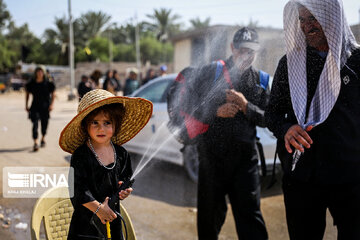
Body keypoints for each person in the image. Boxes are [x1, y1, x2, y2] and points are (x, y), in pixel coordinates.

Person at [265, 0, 360, 239]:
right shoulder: (289, 64)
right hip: (302, 176)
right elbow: (272, 113)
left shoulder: (356, 61)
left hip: (350, 178)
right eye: (302, 19)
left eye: (313, 18)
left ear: (333, 18)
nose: (307, 26)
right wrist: (286, 129)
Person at [193, 27, 269, 240]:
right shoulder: (212, 72)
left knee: (250, 218)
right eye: (242, 50)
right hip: (212, 159)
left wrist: (246, 107)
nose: (246, 56)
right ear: (232, 48)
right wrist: (216, 112)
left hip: (245, 161)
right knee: (209, 219)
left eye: (251, 52)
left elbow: (270, 118)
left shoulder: (261, 80)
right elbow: (190, 108)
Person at [59, 89, 153, 240]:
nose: (101, 128)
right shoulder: (81, 155)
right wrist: (98, 209)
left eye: (107, 123)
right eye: (94, 122)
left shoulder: (121, 154)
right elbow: (77, 190)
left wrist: (124, 191)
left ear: (116, 125)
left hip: (112, 218)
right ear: (85, 125)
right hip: (86, 225)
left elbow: (126, 179)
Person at [25, 66, 56, 151]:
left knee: (44, 124)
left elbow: (53, 94)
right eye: (38, 72)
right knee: (34, 124)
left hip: (45, 107)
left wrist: (52, 104)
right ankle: (35, 142)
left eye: (41, 71)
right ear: (35, 73)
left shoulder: (48, 83)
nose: (39, 73)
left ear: (44, 73)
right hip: (34, 106)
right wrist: (26, 105)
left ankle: (43, 138)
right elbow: (27, 94)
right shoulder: (31, 83)